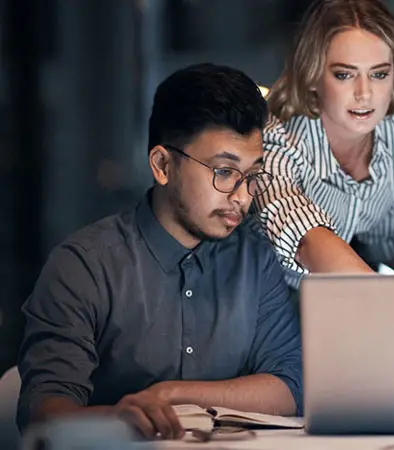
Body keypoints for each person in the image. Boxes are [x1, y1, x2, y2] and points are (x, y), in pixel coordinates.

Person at [17, 63, 302, 439]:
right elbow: (44, 414)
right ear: (163, 165)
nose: (242, 196)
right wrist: (123, 418)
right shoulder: (85, 266)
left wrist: (171, 395)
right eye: (224, 171)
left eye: (252, 175)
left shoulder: (256, 261)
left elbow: (289, 385)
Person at [256, 0, 394, 287]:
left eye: (379, 74)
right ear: (312, 75)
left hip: (341, 299)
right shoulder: (276, 140)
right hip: (261, 308)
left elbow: (391, 238)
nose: (364, 93)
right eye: (344, 74)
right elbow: (304, 239)